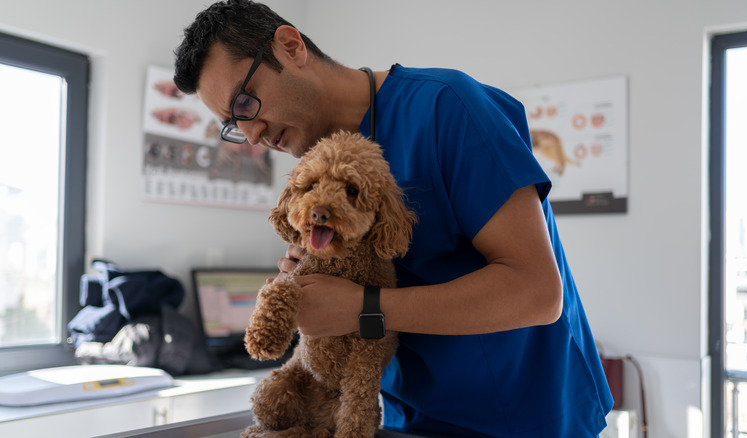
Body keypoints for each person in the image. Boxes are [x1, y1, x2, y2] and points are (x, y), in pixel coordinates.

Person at [174, 1, 613, 436]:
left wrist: (361, 308)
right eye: (232, 124)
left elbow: (537, 291)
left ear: (291, 47)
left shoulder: (448, 108)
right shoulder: (318, 165)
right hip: (405, 416)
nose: (250, 135)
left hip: (522, 416)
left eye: (245, 103)